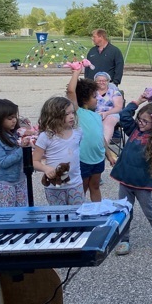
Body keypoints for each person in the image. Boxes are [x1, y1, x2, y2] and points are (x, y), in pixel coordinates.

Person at [111, 92, 152, 255]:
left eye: (145, 121)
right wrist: (138, 101)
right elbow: (124, 115)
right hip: (125, 180)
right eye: (139, 119)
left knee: (149, 211)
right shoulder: (134, 129)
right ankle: (124, 240)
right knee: (124, 210)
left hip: (142, 183)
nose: (140, 123)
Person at [32, 96, 84, 206]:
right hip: (54, 187)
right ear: (54, 116)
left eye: (72, 113)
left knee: (77, 217)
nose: (71, 117)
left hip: (75, 184)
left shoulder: (78, 132)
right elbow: (34, 161)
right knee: (59, 217)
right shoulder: (46, 136)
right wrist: (45, 168)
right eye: (66, 114)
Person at [66, 67, 106, 202]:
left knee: (95, 186)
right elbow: (71, 91)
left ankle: (98, 211)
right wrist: (76, 72)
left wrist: (109, 154)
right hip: (83, 159)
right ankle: (78, 214)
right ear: (84, 99)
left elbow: (101, 137)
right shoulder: (77, 113)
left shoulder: (97, 116)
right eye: (94, 96)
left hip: (98, 157)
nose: (98, 99)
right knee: (81, 188)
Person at [0, 99, 29, 207]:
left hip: (21, 179)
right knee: (9, 213)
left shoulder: (15, 134)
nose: (14, 120)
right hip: (5, 183)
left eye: (15, 117)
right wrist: (22, 149)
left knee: (23, 211)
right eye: (10, 118)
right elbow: (3, 162)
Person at [93, 71, 124, 145]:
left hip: (111, 113)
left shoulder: (115, 92)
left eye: (104, 80)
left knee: (109, 121)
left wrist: (106, 113)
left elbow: (118, 108)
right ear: (95, 82)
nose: (101, 82)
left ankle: (103, 147)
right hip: (95, 113)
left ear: (108, 81)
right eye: (99, 81)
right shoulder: (92, 92)